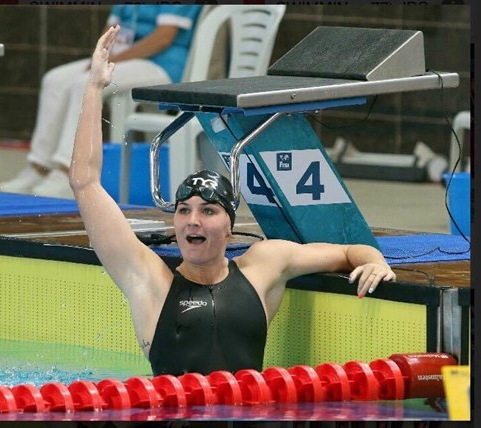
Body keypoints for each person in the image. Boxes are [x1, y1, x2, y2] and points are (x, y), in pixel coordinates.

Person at [69, 26, 397, 376]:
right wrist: (93, 88)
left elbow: (349, 252)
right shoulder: (150, 280)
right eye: (184, 211)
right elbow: (84, 182)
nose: (193, 220)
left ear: (230, 227)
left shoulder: (264, 265)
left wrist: (375, 260)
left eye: (207, 210)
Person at [0, 5, 202, 199]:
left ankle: (68, 171)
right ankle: (38, 167)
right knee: (54, 80)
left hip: (161, 64)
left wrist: (110, 62)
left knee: (85, 83)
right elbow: (111, 31)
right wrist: (101, 56)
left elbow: (162, 38)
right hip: (123, 59)